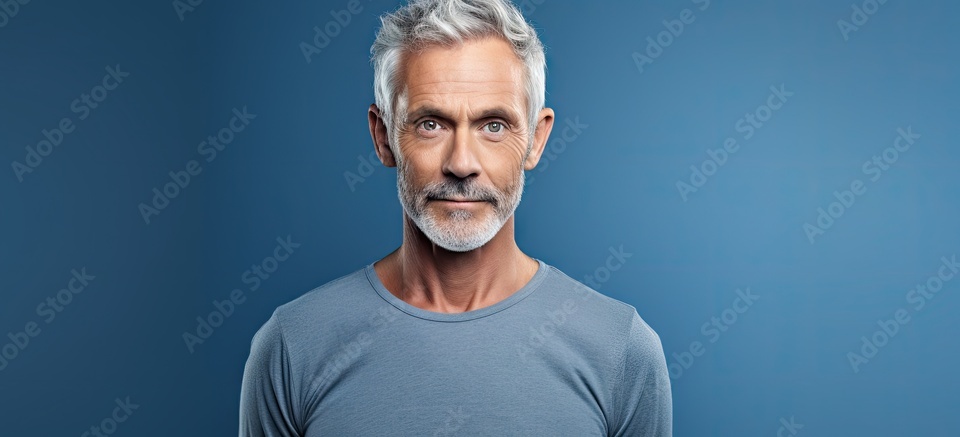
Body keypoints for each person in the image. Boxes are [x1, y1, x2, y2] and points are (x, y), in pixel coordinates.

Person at [239, 0, 672, 435]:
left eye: (494, 125)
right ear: (383, 136)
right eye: (431, 124)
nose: (462, 163)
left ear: (537, 140)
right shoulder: (292, 346)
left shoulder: (622, 351)